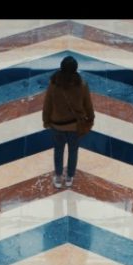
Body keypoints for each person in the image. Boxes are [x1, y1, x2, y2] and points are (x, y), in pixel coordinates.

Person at [42, 55, 94, 189]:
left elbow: (47, 104)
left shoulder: (53, 84)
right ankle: (70, 177)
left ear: (61, 67)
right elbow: (88, 104)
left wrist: (46, 120)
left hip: (57, 125)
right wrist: (90, 118)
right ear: (75, 69)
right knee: (73, 151)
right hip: (75, 126)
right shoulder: (81, 85)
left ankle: (58, 177)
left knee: (58, 151)